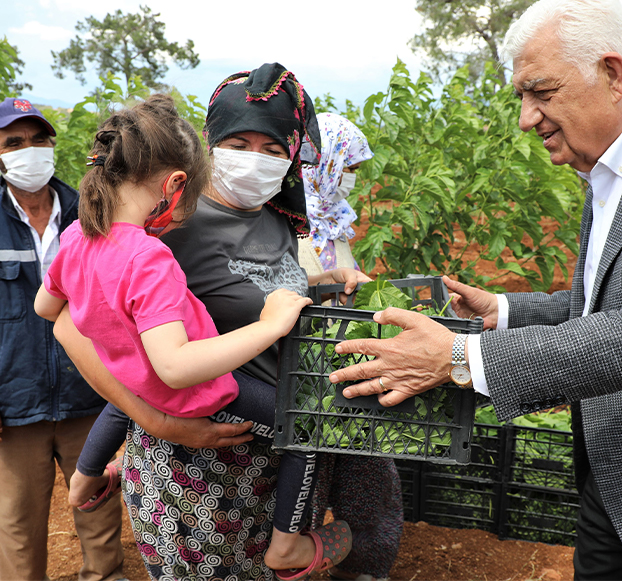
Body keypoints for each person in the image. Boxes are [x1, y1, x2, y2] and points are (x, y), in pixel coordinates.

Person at [328, 1, 622, 580]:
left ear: (612, 74)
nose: (525, 117)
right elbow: (606, 305)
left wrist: (459, 358)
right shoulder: (609, 165)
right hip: (612, 483)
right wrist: (505, 311)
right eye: (521, 96)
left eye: (541, 91)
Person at [52, 64, 369, 581]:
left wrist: (322, 283)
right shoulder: (168, 218)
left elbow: (253, 298)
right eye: (240, 142)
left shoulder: (275, 214)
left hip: (275, 458)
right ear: (211, 142)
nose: (257, 161)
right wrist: (157, 421)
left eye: (273, 150)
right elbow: (78, 323)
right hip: (196, 470)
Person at [0, 97, 125, 581]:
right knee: (17, 520)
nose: (29, 150)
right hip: (15, 401)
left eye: (38, 140)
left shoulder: (85, 212)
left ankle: (105, 575)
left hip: (87, 391)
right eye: (14, 142)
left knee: (96, 503)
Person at [299, 112, 403, 581]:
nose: (352, 179)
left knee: (370, 481)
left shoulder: (334, 222)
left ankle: (363, 564)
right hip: (299, 389)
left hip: (346, 379)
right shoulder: (288, 220)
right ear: (323, 160)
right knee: (303, 487)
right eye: (349, 166)